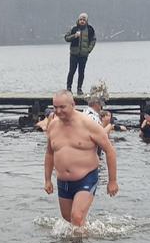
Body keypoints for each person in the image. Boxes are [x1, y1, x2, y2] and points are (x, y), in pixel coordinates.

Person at [44, 90, 118, 227]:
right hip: (63, 181)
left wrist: (112, 181)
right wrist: (48, 179)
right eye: (55, 107)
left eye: (62, 107)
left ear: (73, 104)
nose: (58, 111)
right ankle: (85, 237)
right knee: (68, 219)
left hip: (86, 177)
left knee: (76, 217)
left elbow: (110, 151)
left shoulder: (88, 125)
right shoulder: (53, 125)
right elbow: (49, 153)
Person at [65, 13, 96, 96]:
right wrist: (74, 36)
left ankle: (79, 89)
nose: (82, 21)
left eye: (84, 20)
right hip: (74, 54)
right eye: (81, 20)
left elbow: (93, 40)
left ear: (86, 21)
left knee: (81, 72)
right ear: (78, 20)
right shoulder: (74, 28)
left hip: (83, 54)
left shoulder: (90, 29)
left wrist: (88, 50)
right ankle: (69, 88)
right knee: (72, 71)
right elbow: (66, 38)